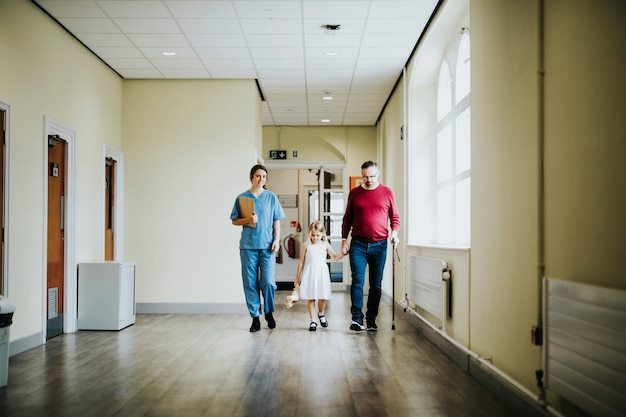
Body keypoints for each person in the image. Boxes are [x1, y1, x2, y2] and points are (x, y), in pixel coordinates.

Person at [341, 161, 400, 332]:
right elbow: (347, 219)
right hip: (358, 244)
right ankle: (357, 319)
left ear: (378, 174)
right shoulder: (355, 194)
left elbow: (395, 217)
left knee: (376, 284)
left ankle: (371, 319)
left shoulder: (387, 192)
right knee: (358, 281)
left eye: (372, 176)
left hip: (380, 245)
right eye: (365, 176)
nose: (368, 180)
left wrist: (394, 234)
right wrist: (344, 240)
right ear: (362, 175)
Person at [231, 164, 285, 332]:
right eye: (258, 176)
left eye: (264, 176)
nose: (261, 179)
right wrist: (248, 219)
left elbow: (276, 220)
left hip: (268, 245)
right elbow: (234, 220)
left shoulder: (271, 197)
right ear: (251, 177)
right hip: (248, 246)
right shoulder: (242, 198)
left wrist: (277, 239)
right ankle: (255, 317)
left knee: (268, 282)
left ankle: (268, 311)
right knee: (250, 282)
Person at [294, 221, 344, 331]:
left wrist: (343, 253)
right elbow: (301, 261)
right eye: (312, 235)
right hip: (310, 273)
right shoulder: (306, 245)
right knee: (311, 298)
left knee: (322, 297)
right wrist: (297, 277)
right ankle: (313, 320)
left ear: (322, 234)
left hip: (322, 274)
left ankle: (321, 314)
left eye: (317, 235)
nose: (315, 238)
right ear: (309, 234)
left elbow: (335, 257)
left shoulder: (325, 245)